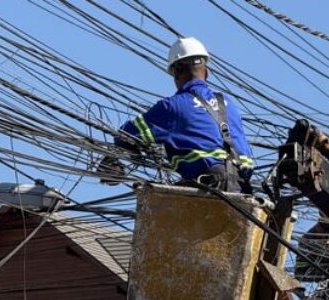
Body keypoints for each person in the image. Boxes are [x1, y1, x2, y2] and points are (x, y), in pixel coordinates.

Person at [98, 37, 254, 192]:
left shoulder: (173, 106)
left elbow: (127, 134)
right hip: (243, 190)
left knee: (150, 206)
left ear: (177, 71)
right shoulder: (228, 103)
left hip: (208, 190)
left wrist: (123, 153)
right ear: (206, 73)